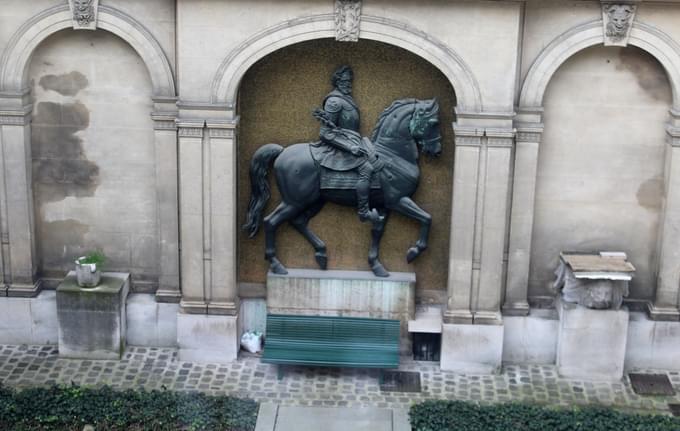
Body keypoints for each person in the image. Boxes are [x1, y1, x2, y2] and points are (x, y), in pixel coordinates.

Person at [313, 65, 381, 223]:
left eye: (350, 81)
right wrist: (350, 147)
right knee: (367, 169)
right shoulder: (334, 102)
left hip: (353, 141)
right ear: (337, 82)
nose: (348, 84)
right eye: (344, 81)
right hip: (339, 146)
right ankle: (363, 212)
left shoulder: (347, 99)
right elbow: (325, 133)